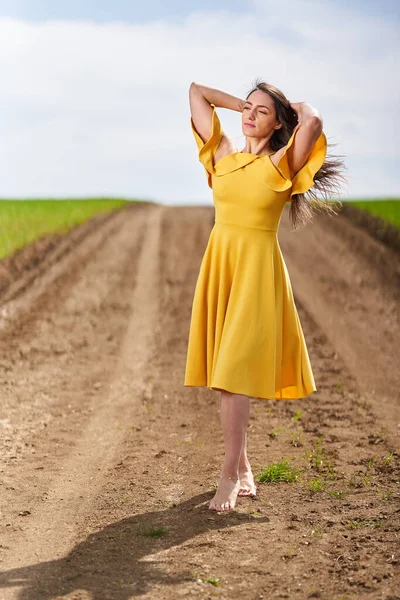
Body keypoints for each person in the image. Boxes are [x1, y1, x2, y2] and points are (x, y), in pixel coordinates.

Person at [184, 79, 346, 512]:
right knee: (225, 373)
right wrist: (249, 103)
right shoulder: (223, 156)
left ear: (277, 125)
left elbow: (312, 120)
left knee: (233, 375)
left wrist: (286, 107)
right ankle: (244, 466)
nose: (250, 115)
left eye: (261, 112)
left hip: (257, 274)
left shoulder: (280, 164)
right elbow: (197, 92)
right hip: (221, 268)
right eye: (247, 109)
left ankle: (229, 476)